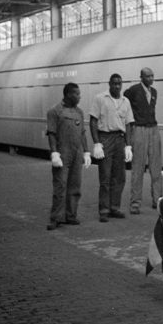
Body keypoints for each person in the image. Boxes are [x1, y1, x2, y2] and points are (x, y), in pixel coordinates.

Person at [46, 82, 91, 230]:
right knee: (60, 186)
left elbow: (83, 133)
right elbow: (51, 133)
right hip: (62, 153)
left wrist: (86, 151)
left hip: (76, 153)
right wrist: (54, 153)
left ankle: (71, 215)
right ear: (68, 94)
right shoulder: (55, 111)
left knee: (75, 186)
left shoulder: (79, 112)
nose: (79, 96)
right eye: (76, 94)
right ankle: (55, 218)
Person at [89, 73, 134, 223]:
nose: (117, 86)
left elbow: (128, 124)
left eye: (119, 83)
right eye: (114, 83)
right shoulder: (100, 99)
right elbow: (93, 121)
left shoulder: (125, 101)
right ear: (109, 84)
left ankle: (115, 207)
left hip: (120, 139)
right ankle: (104, 210)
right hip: (105, 138)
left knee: (119, 176)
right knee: (105, 176)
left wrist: (128, 145)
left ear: (122, 85)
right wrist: (97, 143)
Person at [124, 67, 162, 214]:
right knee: (138, 167)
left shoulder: (154, 92)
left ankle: (157, 200)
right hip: (139, 129)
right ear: (141, 77)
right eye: (148, 76)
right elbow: (125, 102)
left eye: (152, 76)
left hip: (153, 128)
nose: (151, 79)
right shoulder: (133, 90)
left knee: (156, 167)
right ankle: (135, 203)